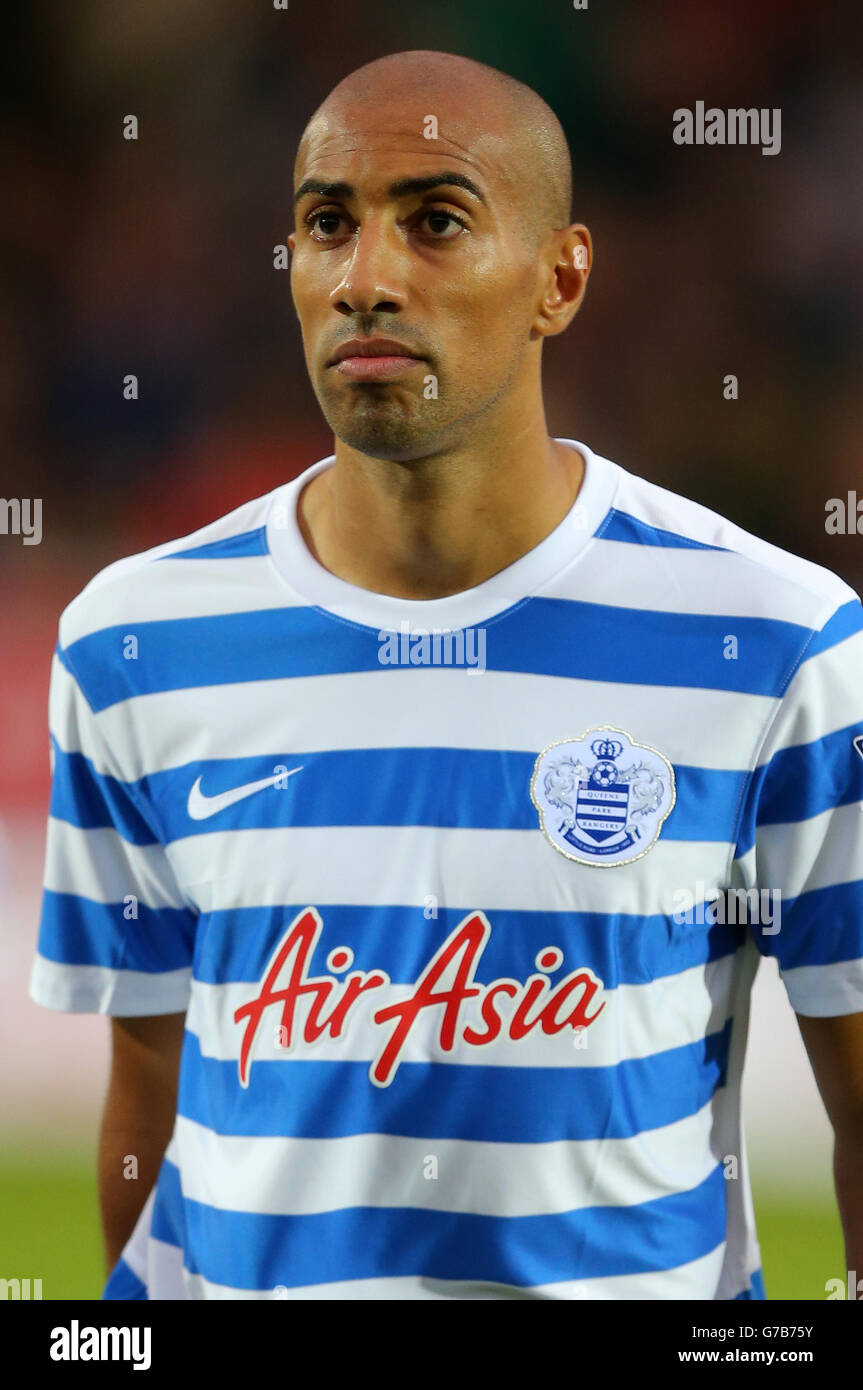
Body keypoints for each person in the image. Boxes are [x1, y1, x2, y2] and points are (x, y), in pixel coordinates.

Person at [31, 49, 863, 1301]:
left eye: (434, 221)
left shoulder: (774, 638)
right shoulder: (134, 643)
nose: (365, 278)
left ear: (560, 278)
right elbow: (146, 1092)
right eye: (327, 225)